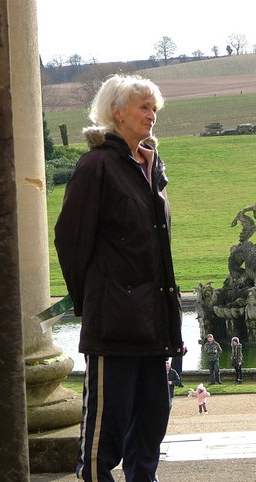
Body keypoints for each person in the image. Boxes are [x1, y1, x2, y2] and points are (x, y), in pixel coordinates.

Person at [54, 74, 183, 482]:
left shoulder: (151, 167)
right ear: (117, 112)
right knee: (104, 435)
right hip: (115, 322)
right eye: (143, 107)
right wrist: (96, 299)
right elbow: (70, 241)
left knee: (151, 422)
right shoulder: (97, 165)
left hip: (154, 322)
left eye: (154, 108)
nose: (151, 115)